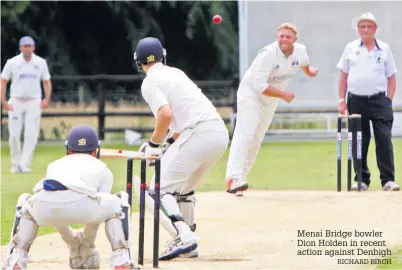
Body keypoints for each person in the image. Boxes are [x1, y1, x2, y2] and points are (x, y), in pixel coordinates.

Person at [133, 37, 229, 260]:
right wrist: (164, 146)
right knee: (183, 188)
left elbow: (165, 115)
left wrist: (153, 146)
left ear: (139, 62)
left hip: (197, 135)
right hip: (218, 134)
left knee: (157, 189)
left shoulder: (149, 82)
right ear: (162, 55)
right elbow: (176, 127)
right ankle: (189, 244)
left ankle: (184, 236)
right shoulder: (176, 73)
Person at [2, 125, 135, 270]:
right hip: (82, 206)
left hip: (44, 207)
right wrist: (87, 247)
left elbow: (57, 208)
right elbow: (95, 217)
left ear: (68, 149)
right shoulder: (103, 168)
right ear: (96, 150)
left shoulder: (54, 165)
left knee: (25, 203)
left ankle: (16, 260)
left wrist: (73, 244)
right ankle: (121, 262)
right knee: (120, 201)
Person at [225, 23, 319, 196]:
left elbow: (303, 63)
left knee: (257, 138)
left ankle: (240, 180)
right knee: (246, 132)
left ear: (295, 40)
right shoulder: (268, 54)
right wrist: (283, 94)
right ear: (277, 36)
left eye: (287, 37)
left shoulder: (300, 50)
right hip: (251, 93)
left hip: (270, 98)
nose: (283, 40)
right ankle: (233, 177)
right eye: (281, 36)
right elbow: (259, 85)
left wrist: (309, 71)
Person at [337, 12, 399, 191]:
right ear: (358, 29)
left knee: (384, 139)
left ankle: (388, 180)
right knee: (358, 140)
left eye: (369, 26)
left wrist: (388, 99)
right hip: (356, 100)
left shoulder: (384, 49)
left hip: (380, 100)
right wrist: (342, 100)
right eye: (362, 26)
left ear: (375, 29)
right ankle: (361, 180)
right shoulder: (350, 48)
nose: (365, 30)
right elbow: (343, 76)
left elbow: (392, 77)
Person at [1, 36, 52, 173]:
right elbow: (3, 81)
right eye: (25, 46)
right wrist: (3, 100)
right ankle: (15, 164)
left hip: (33, 101)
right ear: (20, 48)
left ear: (33, 47)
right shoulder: (12, 63)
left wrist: (47, 98)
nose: (27, 48)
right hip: (16, 101)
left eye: (30, 46)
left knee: (31, 134)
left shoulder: (40, 63)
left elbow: (46, 81)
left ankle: (25, 164)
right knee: (14, 134)